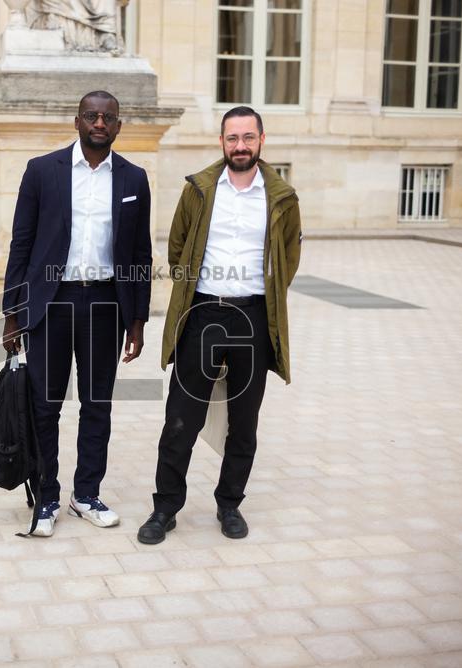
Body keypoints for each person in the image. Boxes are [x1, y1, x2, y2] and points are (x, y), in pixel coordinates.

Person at [137, 106, 302, 545]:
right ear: (222, 142)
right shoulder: (199, 190)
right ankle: (165, 508)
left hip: (252, 317)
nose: (241, 146)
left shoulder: (282, 196)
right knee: (180, 420)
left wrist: (257, 295)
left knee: (243, 422)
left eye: (249, 137)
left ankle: (229, 504)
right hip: (203, 315)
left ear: (261, 140)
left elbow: (288, 260)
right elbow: (177, 249)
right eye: (233, 138)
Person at [2, 90, 153, 537]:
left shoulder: (134, 179)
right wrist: (12, 314)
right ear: (77, 122)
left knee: (97, 405)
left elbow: (141, 254)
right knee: (45, 407)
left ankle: (85, 493)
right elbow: (21, 245)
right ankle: (47, 497)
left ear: (119, 126)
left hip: (106, 304)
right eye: (92, 115)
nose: (100, 123)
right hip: (51, 303)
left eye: (108, 117)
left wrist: (138, 320)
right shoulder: (41, 171)